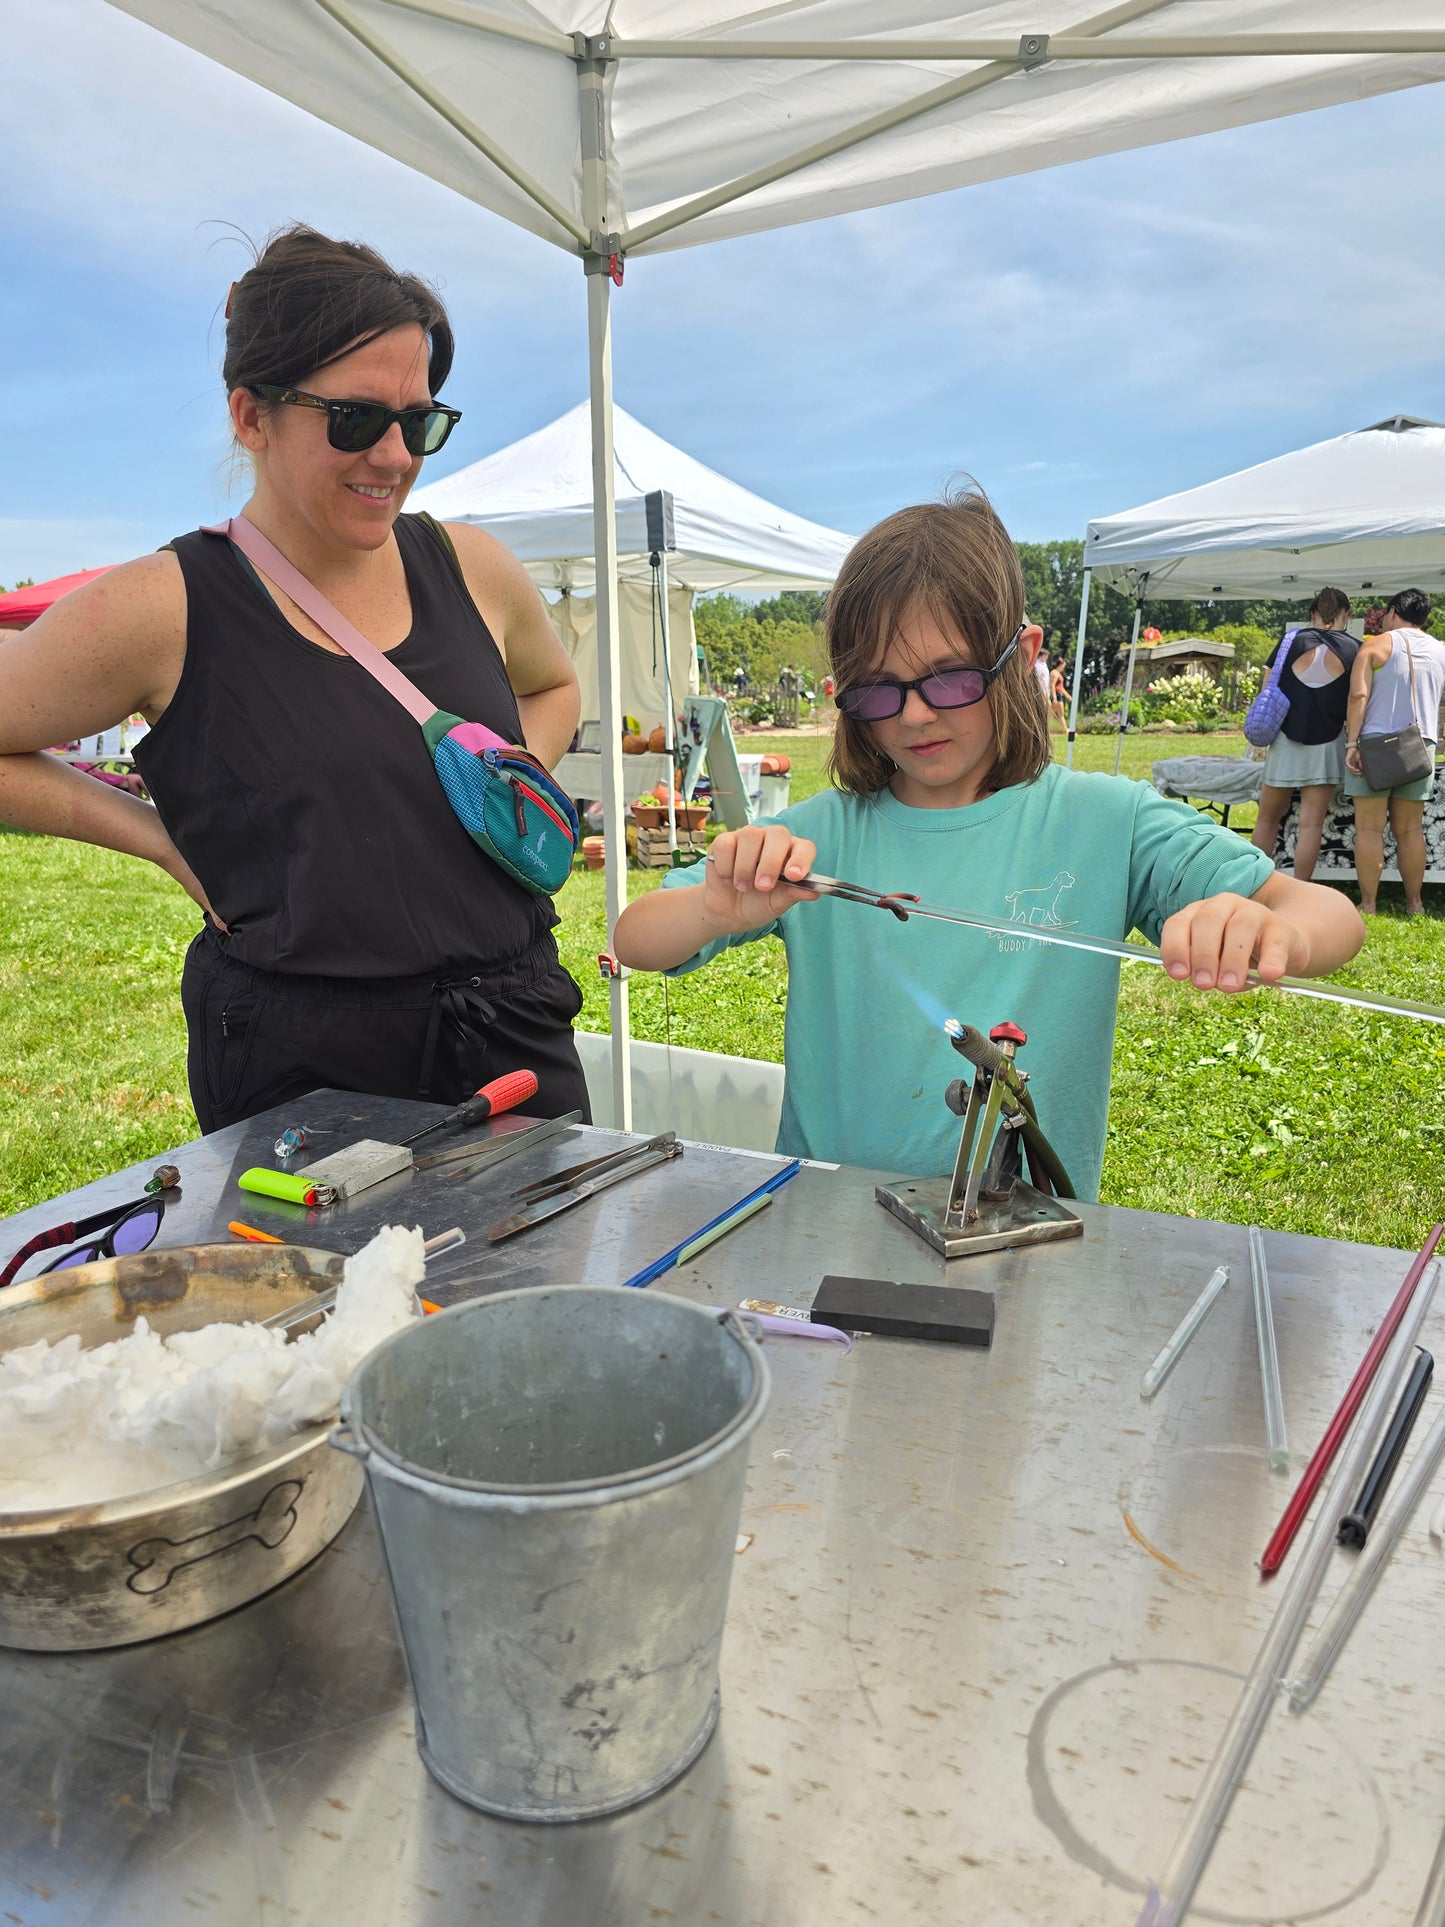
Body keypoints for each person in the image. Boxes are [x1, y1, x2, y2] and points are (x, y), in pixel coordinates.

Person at [0, 225, 590, 1132]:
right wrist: (156, 838)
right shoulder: (168, 605)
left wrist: (511, 779)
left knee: (541, 1278)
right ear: (250, 416)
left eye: (420, 421)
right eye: (354, 419)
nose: (395, 457)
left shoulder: (472, 566)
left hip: (514, 1033)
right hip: (303, 1064)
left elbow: (554, 688)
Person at [613, 488, 1363, 1195]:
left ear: (1023, 653)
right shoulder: (817, 835)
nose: (912, 716)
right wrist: (713, 906)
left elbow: (1331, 919)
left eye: (948, 679)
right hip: (828, 1226)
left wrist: (1272, 932)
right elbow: (636, 936)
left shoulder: (1107, 821)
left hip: (1028, 1233)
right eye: (877, 690)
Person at [1344, 588, 1445, 915]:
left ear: (1391, 612)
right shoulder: (1441, 650)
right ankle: (1415, 903)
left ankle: (1369, 904)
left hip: (1374, 745)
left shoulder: (1375, 644)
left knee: (1369, 828)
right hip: (1421, 745)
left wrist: (1351, 743)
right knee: (1411, 829)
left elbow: (1358, 696)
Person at [1250, 588, 1357, 882]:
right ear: (1346, 615)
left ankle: (1255, 884)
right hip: (1327, 743)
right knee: (1311, 825)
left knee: (1267, 819)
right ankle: (1300, 889)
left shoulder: (1290, 641)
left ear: (1313, 613)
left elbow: (1267, 688)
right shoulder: (1355, 649)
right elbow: (1356, 699)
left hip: (1284, 741)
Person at [1049, 658, 1067, 730]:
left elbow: (1061, 687)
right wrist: (1054, 698)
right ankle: (1066, 731)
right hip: (1057, 695)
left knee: (1050, 715)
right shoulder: (1055, 673)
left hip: (1059, 694)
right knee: (1061, 714)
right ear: (1060, 664)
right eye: (1064, 665)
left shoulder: (1058, 673)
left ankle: (1043, 728)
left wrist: (1067, 696)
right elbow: (1052, 685)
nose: (1064, 667)